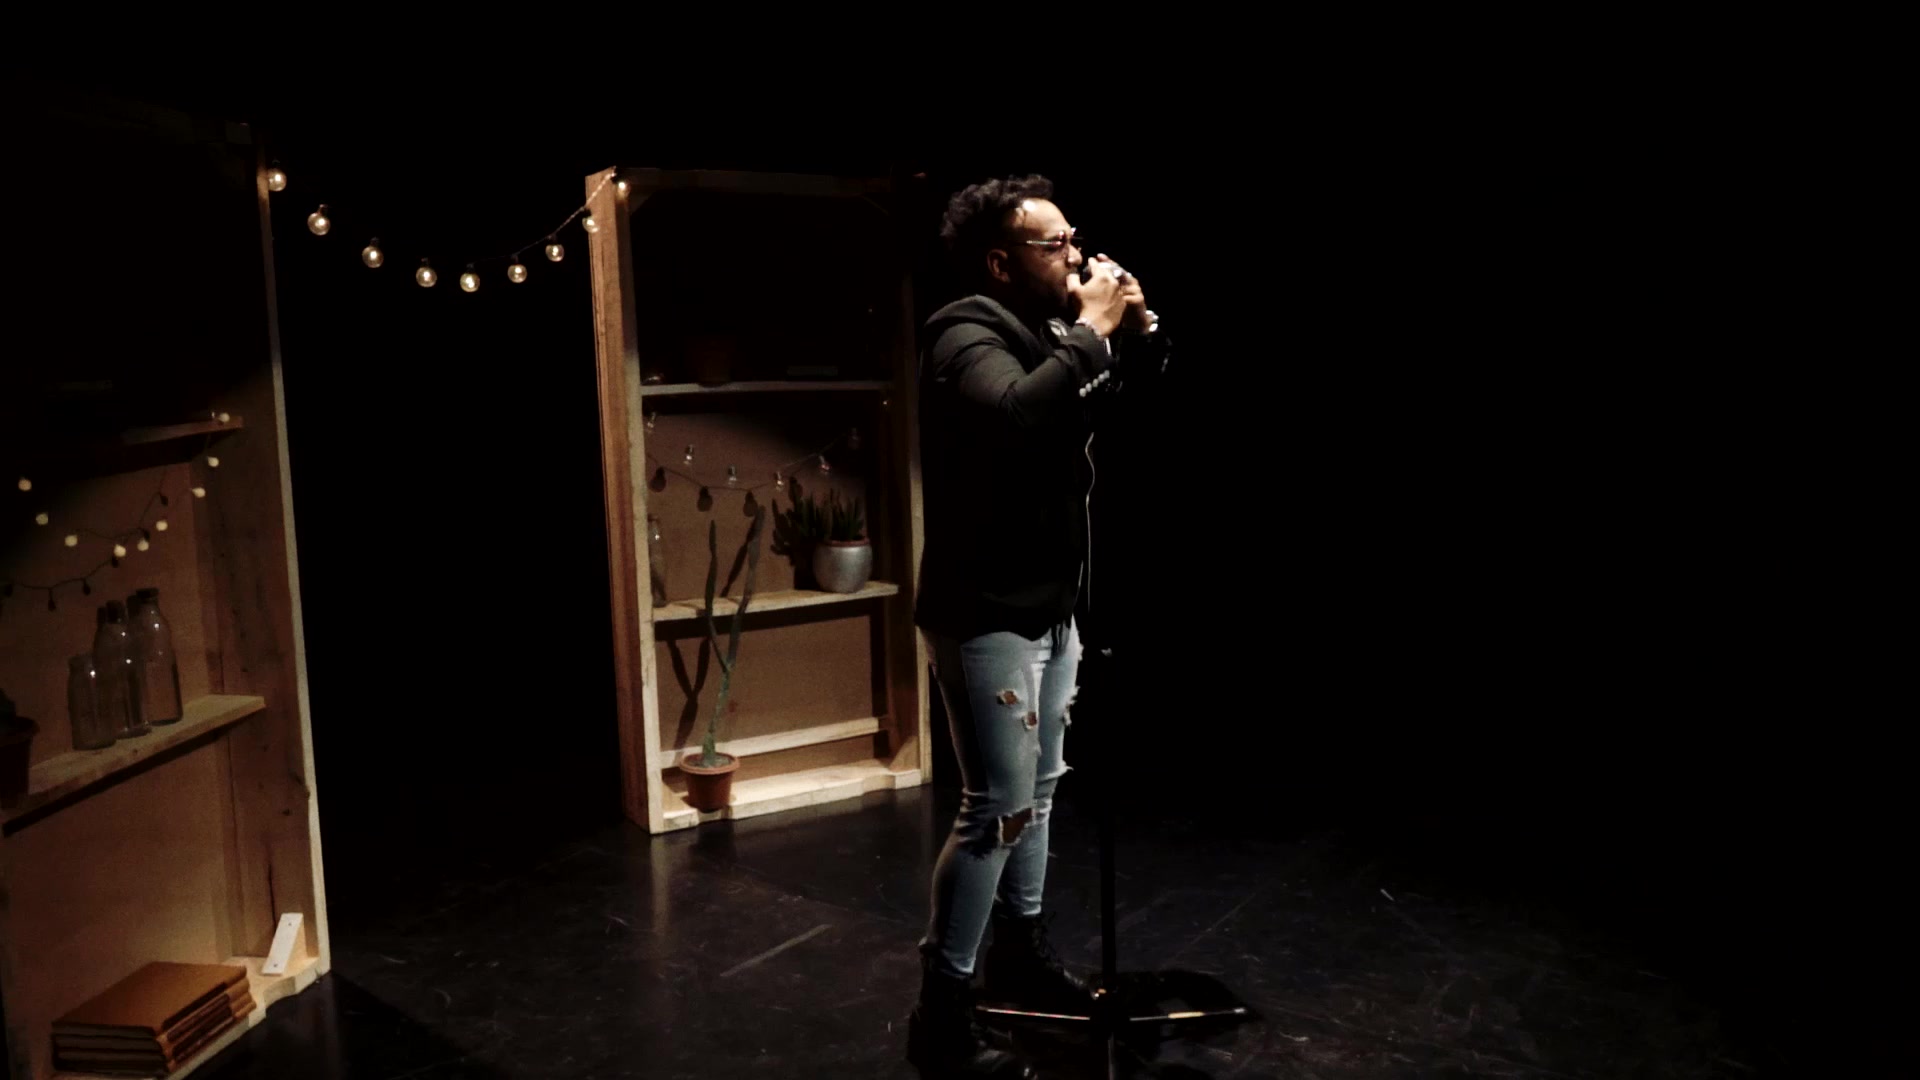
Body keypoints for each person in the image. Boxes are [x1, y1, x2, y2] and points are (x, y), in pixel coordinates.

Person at [907, 174, 1156, 1078]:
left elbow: (1110, 401)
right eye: (1056, 244)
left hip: (1051, 606)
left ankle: (1019, 952)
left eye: (1073, 238)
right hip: (986, 614)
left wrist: (1135, 333)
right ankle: (941, 1013)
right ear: (1002, 262)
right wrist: (1091, 331)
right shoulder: (963, 332)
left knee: (1040, 793)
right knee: (995, 808)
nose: (1075, 254)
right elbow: (1016, 411)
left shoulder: (1053, 332)